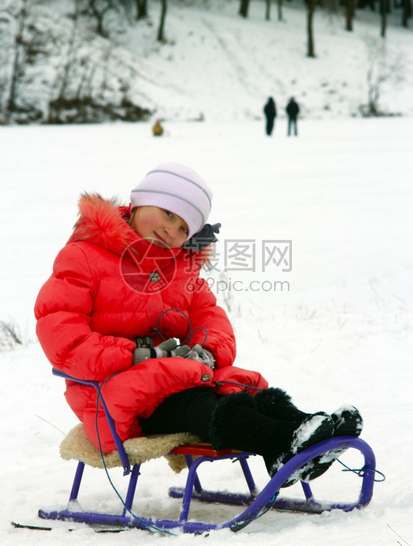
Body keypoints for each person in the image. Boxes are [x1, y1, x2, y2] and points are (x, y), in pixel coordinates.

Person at [34, 163, 363, 486]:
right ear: (137, 203)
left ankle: (308, 428)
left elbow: (209, 315)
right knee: (199, 405)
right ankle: (281, 441)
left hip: (169, 377)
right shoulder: (85, 257)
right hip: (112, 394)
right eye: (169, 214)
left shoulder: (178, 269)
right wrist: (132, 354)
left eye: (183, 230)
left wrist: (207, 349)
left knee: (240, 386)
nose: (172, 231)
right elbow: (63, 336)